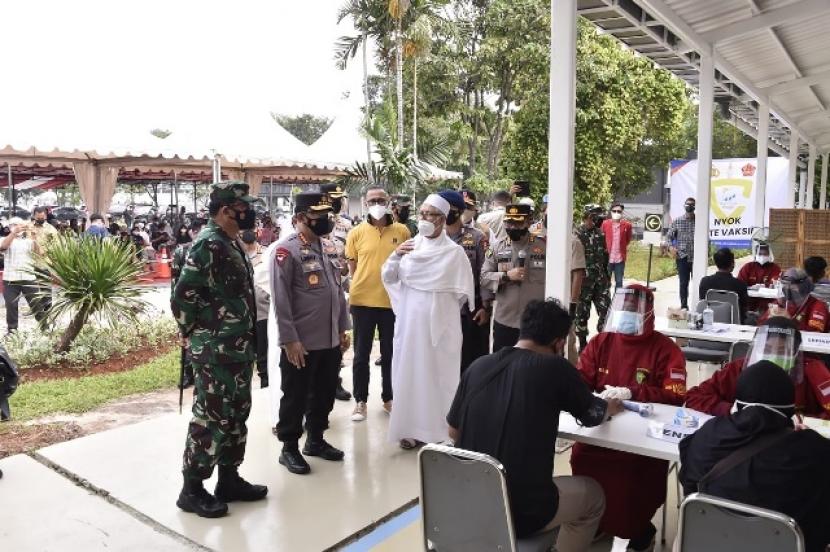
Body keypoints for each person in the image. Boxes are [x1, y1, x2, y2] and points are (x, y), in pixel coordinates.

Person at [448, 299, 623, 551]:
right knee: (593, 496)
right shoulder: (556, 368)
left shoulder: (478, 366)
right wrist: (610, 406)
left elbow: (453, 432)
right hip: (524, 512)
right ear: (559, 343)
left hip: (468, 503)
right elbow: (593, 415)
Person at [171, 181, 267, 518]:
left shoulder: (230, 241)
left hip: (238, 348)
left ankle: (229, 479)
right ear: (226, 210)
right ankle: (192, 488)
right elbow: (183, 297)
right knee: (211, 418)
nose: (250, 213)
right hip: (215, 351)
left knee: (236, 414)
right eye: (243, 208)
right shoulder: (208, 244)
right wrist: (195, 334)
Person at [571, 284, 687, 551]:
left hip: (641, 438)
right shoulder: (601, 341)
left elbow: (676, 395)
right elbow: (581, 380)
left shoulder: (665, 349)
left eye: (634, 309)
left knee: (630, 479)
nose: (627, 313)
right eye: (623, 307)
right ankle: (594, 522)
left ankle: (638, 531)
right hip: (601, 430)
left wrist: (634, 392)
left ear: (647, 313)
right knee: (580, 458)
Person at [679, 361, 830, 552]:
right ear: (792, 410)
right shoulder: (817, 452)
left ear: (737, 404)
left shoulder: (706, 436)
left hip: (708, 544)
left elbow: (689, 486)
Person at [382, 193, 475, 449]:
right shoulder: (409, 247)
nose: (424, 218)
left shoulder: (454, 253)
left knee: (440, 377)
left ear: (443, 219)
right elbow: (389, 277)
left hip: (441, 328)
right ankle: (409, 430)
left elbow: (462, 294)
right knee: (409, 374)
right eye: (422, 213)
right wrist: (395, 256)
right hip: (410, 326)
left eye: (431, 214)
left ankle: (441, 432)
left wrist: (438, 309)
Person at [271, 192, 352, 474]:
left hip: (329, 337)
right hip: (302, 342)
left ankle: (315, 440)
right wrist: (289, 339)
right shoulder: (286, 251)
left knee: (324, 392)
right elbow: (281, 301)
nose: (323, 222)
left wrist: (343, 327)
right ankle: (289, 447)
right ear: (299, 219)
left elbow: (337, 291)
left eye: (326, 217)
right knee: (295, 395)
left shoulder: (328, 247)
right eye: (317, 217)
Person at [344, 186, 411, 422]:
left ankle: (389, 398)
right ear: (365, 203)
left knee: (390, 353)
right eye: (372, 200)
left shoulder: (402, 231)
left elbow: (408, 265)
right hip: (362, 300)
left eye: (381, 199)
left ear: (389, 201)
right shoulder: (356, 232)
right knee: (361, 354)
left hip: (392, 302)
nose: (377, 203)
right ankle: (360, 401)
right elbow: (353, 268)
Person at [685, 316, 830, 417]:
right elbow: (694, 396)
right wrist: (731, 410)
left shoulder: (813, 371)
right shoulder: (738, 368)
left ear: (796, 352)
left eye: (781, 351)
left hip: (792, 443)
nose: (772, 356)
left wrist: (806, 421)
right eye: (766, 350)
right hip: (747, 439)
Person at [481, 203, 547, 351]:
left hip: (535, 322)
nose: (512, 227)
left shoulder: (543, 247)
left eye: (517, 222)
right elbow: (484, 278)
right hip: (505, 321)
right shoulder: (497, 247)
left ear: (528, 221)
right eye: (509, 222)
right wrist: (506, 276)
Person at [442, 190, 490, 372]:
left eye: (450, 209)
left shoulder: (477, 237)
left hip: (471, 310)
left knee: (472, 361)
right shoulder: (434, 238)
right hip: (443, 308)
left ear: (459, 211)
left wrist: (485, 307)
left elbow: (484, 274)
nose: (446, 213)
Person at [320, 183, 355, 401]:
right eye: (332, 198)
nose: (336, 201)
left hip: (339, 284)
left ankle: (335, 380)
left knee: (339, 334)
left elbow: (350, 255)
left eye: (339, 198)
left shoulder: (346, 225)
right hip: (316, 286)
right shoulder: (314, 222)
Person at [170, 220, 203, 390]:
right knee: (185, 338)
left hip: (205, 306)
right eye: (197, 232)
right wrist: (175, 305)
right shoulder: (181, 251)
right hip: (186, 303)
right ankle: (186, 373)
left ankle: (199, 374)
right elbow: (174, 281)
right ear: (192, 232)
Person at [1, 218, 49, 333]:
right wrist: (13, 233)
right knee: (11, 306)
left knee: (37, 304)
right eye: (15, 225)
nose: (18, 227)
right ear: (10, 227)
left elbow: (38, 254)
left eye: (20, 225)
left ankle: (44, 327)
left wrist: (35, 237)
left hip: (29, 278)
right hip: (10, 279)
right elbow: (3, 247)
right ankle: (12, 330)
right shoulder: (4, 239)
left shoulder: (28, 241)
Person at [574, 204, 611, 352]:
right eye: (596, 216)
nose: (599, 219)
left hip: (600, 282)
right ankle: (582, 344)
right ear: (588, 216)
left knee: (606, 312)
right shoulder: (577, 234)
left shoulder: (600, 234)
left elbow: (605, 257)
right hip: (583, 283)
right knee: (582, 314)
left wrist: (607, 277)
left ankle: (602, 343)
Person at [239, 230, 269, 388]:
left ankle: (265, 377)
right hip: (244, 311)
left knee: (263, 346)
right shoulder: (238, 254)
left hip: (263, 308)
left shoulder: (266, 253)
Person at [759, 267, 829, 333]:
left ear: (804, 287)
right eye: (785, 286)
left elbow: (815, 333)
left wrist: (789, 321)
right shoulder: (781, 302)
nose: (787, 290)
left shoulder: (818, 306)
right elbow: (761, 325)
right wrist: (769, 319)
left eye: (792, 288)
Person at [698, 247, 748, 323]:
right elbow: (744, 309)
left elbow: (702, 304)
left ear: (716, 263)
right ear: (732, 264)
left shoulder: (705, 282)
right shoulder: (740, 285)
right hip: (734, 325)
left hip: (709, 323)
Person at [738, 240, 782, 316]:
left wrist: (766, 286)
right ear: (756, 254)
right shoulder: (748, 267)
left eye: (765, 254)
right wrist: (751, 287)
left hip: (768, 306)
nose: (762, 256)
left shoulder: (775, 268)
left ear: (770, 254)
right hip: (750, 305)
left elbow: (777, 283)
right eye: (760, 254)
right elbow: (740, 283)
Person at [667, 197, 696, 310]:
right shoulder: (678, 221)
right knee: (683, 283)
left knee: (697, 282)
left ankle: (697, 304)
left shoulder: (699, 221)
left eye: (691, 205)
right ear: (684, 206)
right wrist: (671, 247)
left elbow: (706, 238)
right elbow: (669, 236)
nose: (689, 207)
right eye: (687, 204)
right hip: (682, 257)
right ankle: (684, 306)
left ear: (694, 207)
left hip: (696, 257)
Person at [601, 202, 633, 290]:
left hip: (619, 259)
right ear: (611, 212)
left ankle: (617, 302)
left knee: (619, 282)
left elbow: (628, 239)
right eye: (614, 211)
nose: (616, 213)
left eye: (619, 211)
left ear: (622, 213)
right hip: (608, 259)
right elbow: (602, 238)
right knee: (606, 282)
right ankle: (606, 302)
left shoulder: (627, 225)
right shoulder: (605, 224)